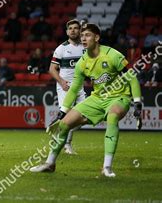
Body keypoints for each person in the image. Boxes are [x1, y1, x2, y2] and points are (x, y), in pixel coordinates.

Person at [31, 23, 143, 177]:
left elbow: (132, 78)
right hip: (96, 99)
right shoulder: (82, 62)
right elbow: (74, 88)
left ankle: (107, 167)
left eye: (87, 35)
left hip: (119, 97)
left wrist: (137, 102)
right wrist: (62, 112)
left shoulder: (112, 55)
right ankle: (50, 163)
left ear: (97, 38)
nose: (83, 38)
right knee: (63, 125)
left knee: (112, 117)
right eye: (82, 35)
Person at [48, 19, 86, 155]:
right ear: (66, 31)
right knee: (69, 115)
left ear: (80, 31)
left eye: (76, 28)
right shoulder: (61, 49)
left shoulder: (85, 48)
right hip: (65, 86)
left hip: (79, 87)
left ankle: (58, 131)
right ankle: (67, 144)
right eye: (70, 28)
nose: (73, 30)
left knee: (85, 116)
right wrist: (62, 81)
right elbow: (52, 69)